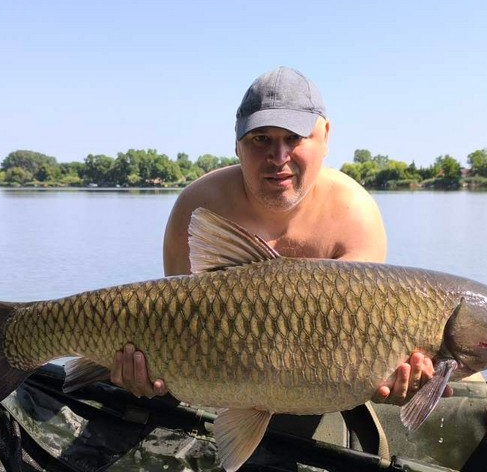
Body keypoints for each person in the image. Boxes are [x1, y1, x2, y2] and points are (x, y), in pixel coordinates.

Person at [109, 65, 438, 405]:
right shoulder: (198, 205)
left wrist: (389, 375)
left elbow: (358, 345)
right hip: (215, 380)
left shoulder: (355, 215)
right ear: (237, 143)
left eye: (294, 138)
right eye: (261, 139)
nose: (278, 157)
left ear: (325, 136)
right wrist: (148, 371)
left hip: (319, 391)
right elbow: (174, 326)